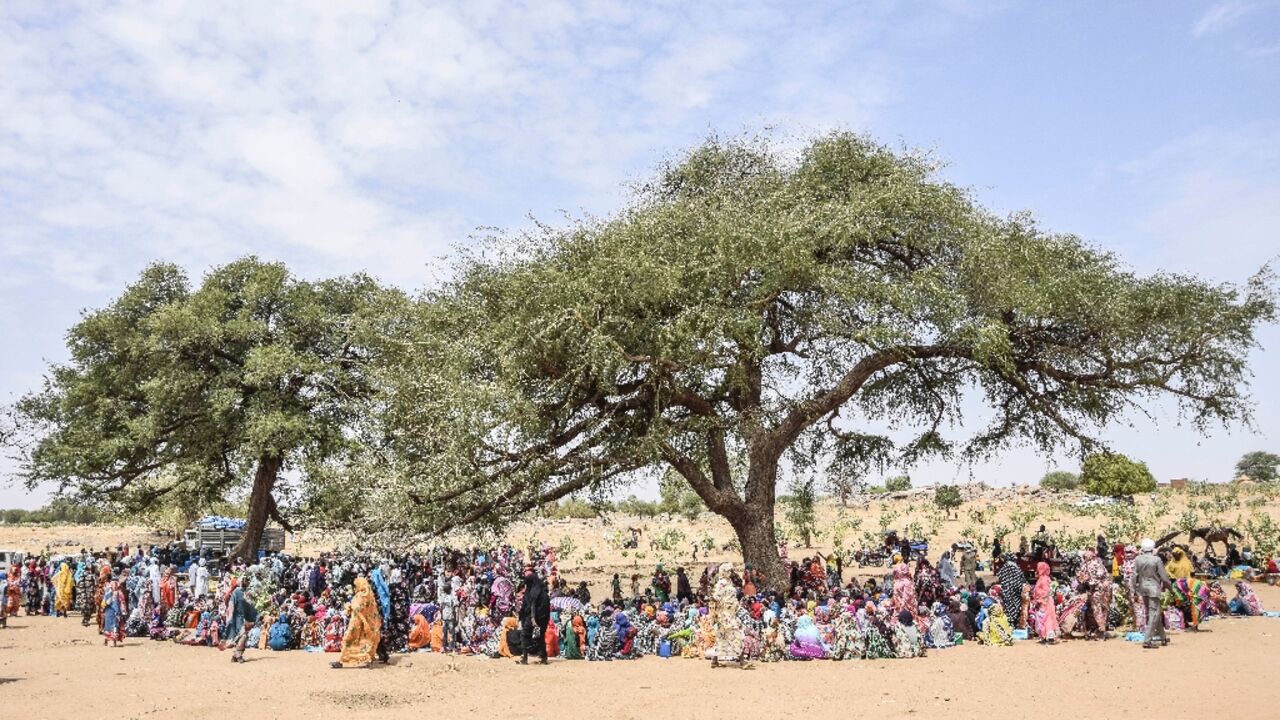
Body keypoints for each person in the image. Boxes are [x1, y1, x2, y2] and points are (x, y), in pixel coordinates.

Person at [332, 577, 382, 668]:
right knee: (365, 642)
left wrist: (349, 606)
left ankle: (342, 660)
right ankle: (366, 659)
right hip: (368, 623)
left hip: (357, 623)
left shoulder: (360, 595)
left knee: (349, 640)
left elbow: (357, 608)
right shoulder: (370, 595)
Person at [1134, 538, 1170, 649]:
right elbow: (1164, 576)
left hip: (1143, 589)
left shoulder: (1138, 559)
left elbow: (1134, 575)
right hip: (1154, 589)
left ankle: (1163, 637)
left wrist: (1134, 590)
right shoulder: (1157, 560)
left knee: (1154, 613)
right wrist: (1170, 587)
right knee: (1154, 613)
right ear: (1153, 548)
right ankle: (1147, 640)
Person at [518, 566, 550, 665]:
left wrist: (530, 618)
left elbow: (528, 606)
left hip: (532, 618)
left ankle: (524, 657)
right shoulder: (543, 592)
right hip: (543, 619)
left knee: (525, 635)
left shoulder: (531, 593)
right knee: (540, 637)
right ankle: (543, 657)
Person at [226, 577, 258, 663]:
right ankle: (238, 654)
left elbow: (251, 605)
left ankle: (235, 656)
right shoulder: (236, 592)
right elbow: (231, 605)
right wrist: (230, 618)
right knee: (242, 635)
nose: (246, 583)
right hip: (238, 617)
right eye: (245, 581)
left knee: (242, 636)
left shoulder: (248, 592)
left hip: (246, 618)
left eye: (246, 581)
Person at [1031, 561, 1058, 643]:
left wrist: (1040, 600)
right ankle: (1044, 635)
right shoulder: (1041, 579)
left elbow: (1046, 591)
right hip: (1042, 602)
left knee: (1046, 618)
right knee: (1042, 618)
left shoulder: (1044, 579)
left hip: (1045, 602)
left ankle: (1049, 636)